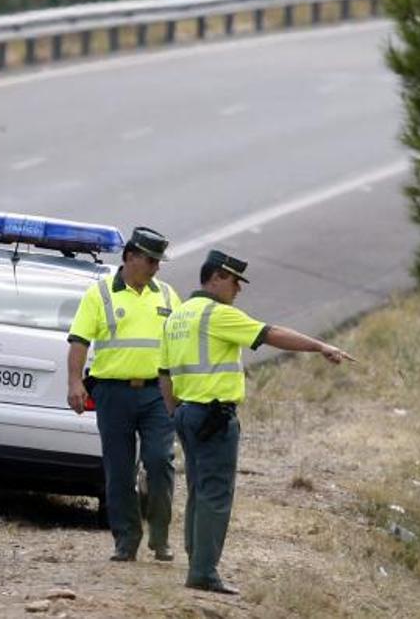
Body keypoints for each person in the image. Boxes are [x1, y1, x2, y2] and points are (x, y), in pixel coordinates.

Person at [159, 250, 354, 595]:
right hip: (213, 416)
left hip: (187, 413)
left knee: (197, 492)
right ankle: (203, 572)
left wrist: (175, 411)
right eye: (235, 281)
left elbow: (163, 373)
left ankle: (196, 560)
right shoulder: (216, 314)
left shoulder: (178, 316)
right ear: (217, 277)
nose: (238, 289)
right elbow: (271, 333)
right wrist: (320, 345)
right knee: (215, 494)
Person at [67, 227, 182, 563]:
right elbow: (79, 342)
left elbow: (183, 340)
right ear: (130, 257)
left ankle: (160, 536)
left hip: (157, 394)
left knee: (160, 462)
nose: (156, 268)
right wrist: (75, 382)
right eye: (151, 260)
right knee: (118, 470)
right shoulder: (99, 294)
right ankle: (126, 539)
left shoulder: (167, 295)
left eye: (159, 262)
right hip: (113, 394)